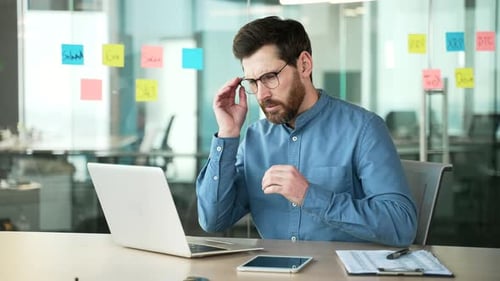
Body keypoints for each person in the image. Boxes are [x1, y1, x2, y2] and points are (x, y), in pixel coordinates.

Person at [196, 16, 417, 247]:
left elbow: (401, 225)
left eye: (269, 77)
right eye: (253, 82)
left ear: (304, 64)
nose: (261, 95)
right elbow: (213, 220)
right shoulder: (254, 139)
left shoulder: (363, 129)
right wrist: (227, 134)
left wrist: (310, 196)